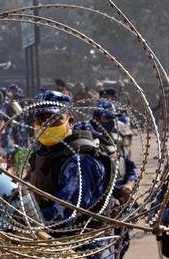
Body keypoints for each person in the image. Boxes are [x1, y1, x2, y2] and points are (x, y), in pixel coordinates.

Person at [26, 90, 112, 256]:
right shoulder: (44, 153)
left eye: (54, 118)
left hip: (84, 250)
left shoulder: (79, 161)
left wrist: (24, 219)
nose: (46, 124)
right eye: (40, 118)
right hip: (54, 245)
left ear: (70, 121)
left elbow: (65, 213)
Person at [75, 100, 137, 258]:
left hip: (121, 198)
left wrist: (130, 182)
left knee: (122, 242)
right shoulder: (86, 141)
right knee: (104, 247)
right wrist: (114, 192)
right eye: (107, 119)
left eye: (113, 118)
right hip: (101, 204)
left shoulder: (115, 138)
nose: (111, 123)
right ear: (96, 118)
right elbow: (94, 178)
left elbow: (129, 164)